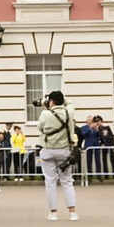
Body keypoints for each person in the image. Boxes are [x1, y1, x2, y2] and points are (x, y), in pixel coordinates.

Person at [36, 91, 78, 219]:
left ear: (51, 101)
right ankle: (72, 212)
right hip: (64, 150)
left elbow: (39, 128)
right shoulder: (68, 112)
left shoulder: (45, 114)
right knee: (67, 182)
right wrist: (61, 100)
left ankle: (53, 213)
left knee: (50, 182)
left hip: (48, 150)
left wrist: (46, 105)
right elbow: (70, 103)